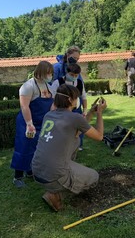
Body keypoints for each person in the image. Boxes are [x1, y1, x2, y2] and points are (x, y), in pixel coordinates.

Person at [32, 84, 106, 212]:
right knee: (94, 177)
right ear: (70, 100)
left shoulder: (48, 115)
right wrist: (99, 113)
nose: (77, 100)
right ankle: (54, 194)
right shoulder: (74, 118)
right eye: (76, 98)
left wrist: (90, 113)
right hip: (54, 175)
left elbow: (79, 128)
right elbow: (99, 136)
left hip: (37, 170)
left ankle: (56, 187)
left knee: (75, 139)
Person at [11, 61, 54, 188]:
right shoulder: (28, 86)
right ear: (41, 72)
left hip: (43, 123)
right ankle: (17, 177)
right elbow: (24, 107)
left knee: (38, 148)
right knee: (24, 148)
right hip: (27, 122)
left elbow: (51, 104)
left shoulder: (48, 86)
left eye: (51, 73)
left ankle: (31, 171)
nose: (50, 75)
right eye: (48, 73)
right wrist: (29, 124)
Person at [51, 63, 88, 151]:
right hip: (63, 110)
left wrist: (85, 109)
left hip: (77, 109)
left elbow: (84, 97)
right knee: (65, 129)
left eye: (76, 75)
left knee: (79, 128)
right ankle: (64, 146)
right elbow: (53, 98)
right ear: (67, 72)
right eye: (72, 75)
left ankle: (78, 145)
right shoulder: (58, 82)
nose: (74, 77)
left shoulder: (79, 83)